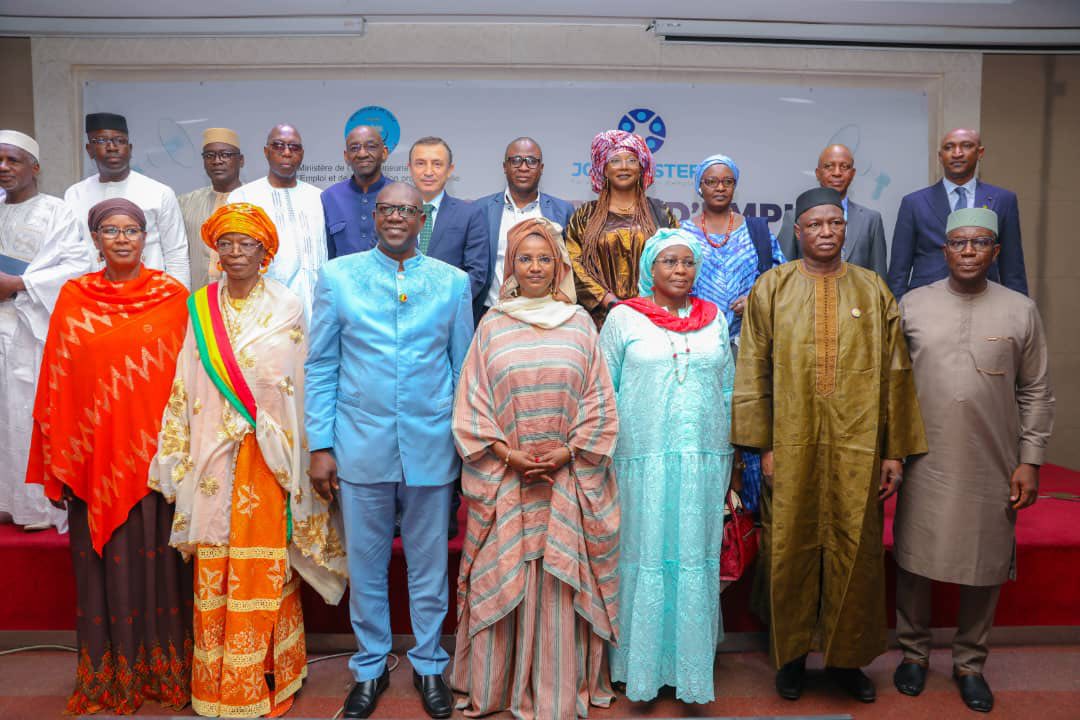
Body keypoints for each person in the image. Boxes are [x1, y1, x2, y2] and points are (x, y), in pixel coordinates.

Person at [149, 202, 347, 718]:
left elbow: (296, 380)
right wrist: (177, 450)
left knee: (266, 567)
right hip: (213, 459)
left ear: (266, 253)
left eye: (247, 244)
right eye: (226, 244)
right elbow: (185, 380)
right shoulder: (199, 307)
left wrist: (282, 433)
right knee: (217, 564)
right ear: (215, 251)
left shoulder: (287, 305)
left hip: (268, 458)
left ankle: (271, 679)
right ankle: (218, 683)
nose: (236, 253)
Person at [732, 187, 927, 703]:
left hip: (856, 448)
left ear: (845, 229)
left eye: (834, 224)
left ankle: (847, 661)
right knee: (788, 547)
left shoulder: (872, 289)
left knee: (855, 548)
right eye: (815, 225)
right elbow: (753, 369)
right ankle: (792, 658)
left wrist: (893, 451)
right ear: (797, 232)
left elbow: (897, 372)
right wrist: (762, 447)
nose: (825, 232)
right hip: (789, 445)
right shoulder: (772, 287)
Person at [305, 182, 473, 719]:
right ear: (375, 216)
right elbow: (321, 364)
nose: (397, 216)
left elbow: (463, 369)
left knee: (429, 567)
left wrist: (464, 445)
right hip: (360, 443)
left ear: (423, 218)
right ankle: (370, 667)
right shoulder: (338, 277)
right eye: (388, 209)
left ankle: (429, 664)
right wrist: (320, 443)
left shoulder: (452, 283)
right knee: (366, 565)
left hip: (432, 444)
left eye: (408, 209)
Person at [26, 198, 192, 715]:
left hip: (156, 463)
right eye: (111, 231)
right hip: (94, 462)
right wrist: (61, 456)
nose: (122, 239)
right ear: (95, 239)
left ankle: (165, 673)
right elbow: (56, 382)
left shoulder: (172, 297)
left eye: (132, 230)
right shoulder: (75, 297)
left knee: (161, 572)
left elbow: (189, 379)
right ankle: (109, 674)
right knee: (104, 575)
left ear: (146, 237)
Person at [451, 217, 620, 719]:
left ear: (559, 265)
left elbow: (599, 400)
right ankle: (497, 687)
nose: (535, 267)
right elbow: (472, 403)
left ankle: (557, 689)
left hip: (568, 480)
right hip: (507, 480)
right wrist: (509, 456)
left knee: (558, 582)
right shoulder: (492, 325)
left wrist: (567, 453)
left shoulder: (580, 323)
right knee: (506, 573)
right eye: (524, 258)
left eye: (545, 258)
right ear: (511, 266)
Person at [893, 207, 1054, 714]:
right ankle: (913, 653)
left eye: (980, 243)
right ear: (944, 250)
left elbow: (1036, 390)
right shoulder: (913, 304)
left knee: (985, 562)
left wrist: (1030, 459)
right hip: (924, 458)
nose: (968, 251)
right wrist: (891, 452)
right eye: (959, 243)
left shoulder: (1020, 310)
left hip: (993, 458)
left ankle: (970, 663)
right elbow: (891, 386)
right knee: (914, 559)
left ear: (995, 252)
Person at [599, 228, 734, 703]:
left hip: (702, 461)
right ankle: (635, 667)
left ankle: (687, 668)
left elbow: (728, 389)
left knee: (694, 555)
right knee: (643, 554)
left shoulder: (715, 319)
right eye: (669, 262)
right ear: (649, 269)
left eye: (688, 262)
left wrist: (732, 460)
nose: (680, 270)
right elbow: (604, 390)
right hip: (640, 461)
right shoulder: (623, 318)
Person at [681, 153, 785, 514]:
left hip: (748, 348)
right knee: (705, 426)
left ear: (735, 186)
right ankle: (704, 509)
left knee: (749, 426)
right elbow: (668, 282)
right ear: (699, 187)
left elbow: (780, 280)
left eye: (727, 181)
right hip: (697, 347)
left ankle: (749, 517)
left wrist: (755, 298)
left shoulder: (756, 230)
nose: (719, 187)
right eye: (711, 181)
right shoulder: (683, 232)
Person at [0, 130, 88, 532]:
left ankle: (37, 506)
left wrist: (19, 283)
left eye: (13, 160)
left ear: (34, 167)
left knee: (29, 411)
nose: (4, 168)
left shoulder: (58, 212)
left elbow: (78, 266)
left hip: (34, 327)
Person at [888, 128, 1028, 299]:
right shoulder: (914, 203)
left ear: (980, 153)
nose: (957, 153)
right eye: (949, 147)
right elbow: (898, 271)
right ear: (940, 156)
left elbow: (1012, 267)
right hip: (927, 301)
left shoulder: (1003, 200)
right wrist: (895, 310)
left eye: (966, 146)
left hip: (986, 299)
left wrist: (1019, 308)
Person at [64, 112, 190, 288]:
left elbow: (176, 254)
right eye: (101, 140)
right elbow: (69, 252)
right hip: (93, 294)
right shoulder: (74, 194)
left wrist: (179, 298)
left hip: (149, 294)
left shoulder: (159, 192)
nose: (112, 147)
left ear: (130, 149)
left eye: (120, 140)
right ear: (89, 149)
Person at [566, 130, 677, 328]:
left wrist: (648, 303)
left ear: (641, 168)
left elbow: (676, 259)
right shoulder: (586, 215)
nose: (624, 166)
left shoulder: (660, 211)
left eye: (632, 160)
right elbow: (575, 263)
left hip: (654, 318)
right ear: (604, 169)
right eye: (615, 160)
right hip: (601, 320)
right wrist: (607, 300)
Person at [229, 124, 326, 324]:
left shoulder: (319, 197)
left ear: (302, 154)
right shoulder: (243, 197)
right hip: (264, 315)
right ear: (266, 151)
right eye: (278, 146)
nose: (287, 152)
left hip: (317, 313)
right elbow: (233, 260)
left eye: (294, 147)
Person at [476, 137, 575, 317]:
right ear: (505, 166)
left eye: (531, 161)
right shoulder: (480, 210)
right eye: (515, 160)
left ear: (541, 168)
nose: (523, 167)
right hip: (492, 312)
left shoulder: (563, 211)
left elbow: (569, 267)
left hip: (547, 314)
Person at [408, 136, 490, 318]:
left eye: (437, 164)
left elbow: (476, 274)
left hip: (447, 318)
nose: (428, 172)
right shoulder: (393, 213)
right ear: (410, 168)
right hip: (398, 316)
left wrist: (440, 307)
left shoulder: (469, 214)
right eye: (420, 163)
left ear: (449, 170)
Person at [777, 144, 887, 277]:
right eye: (829, 166)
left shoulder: (871, 219)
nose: (837, 173)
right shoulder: (794, 216)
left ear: (853, 174)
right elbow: (782, 272)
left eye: (844, 167)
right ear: (817, 173)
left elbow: (878, 276)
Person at [178, 127, 244, 289]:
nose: (217, 161)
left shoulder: (254, 202)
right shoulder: (184, 203)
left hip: (241, 297)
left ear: (241, 160)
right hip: (195, 296)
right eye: (209, 155)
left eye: (225, 155)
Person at [321, 124, 391, 258]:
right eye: (354, 148)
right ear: (346, 156)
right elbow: (326, 255)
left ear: (384, 153)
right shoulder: (329, 197)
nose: (362, 154)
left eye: (371, 146)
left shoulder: (401, 195)